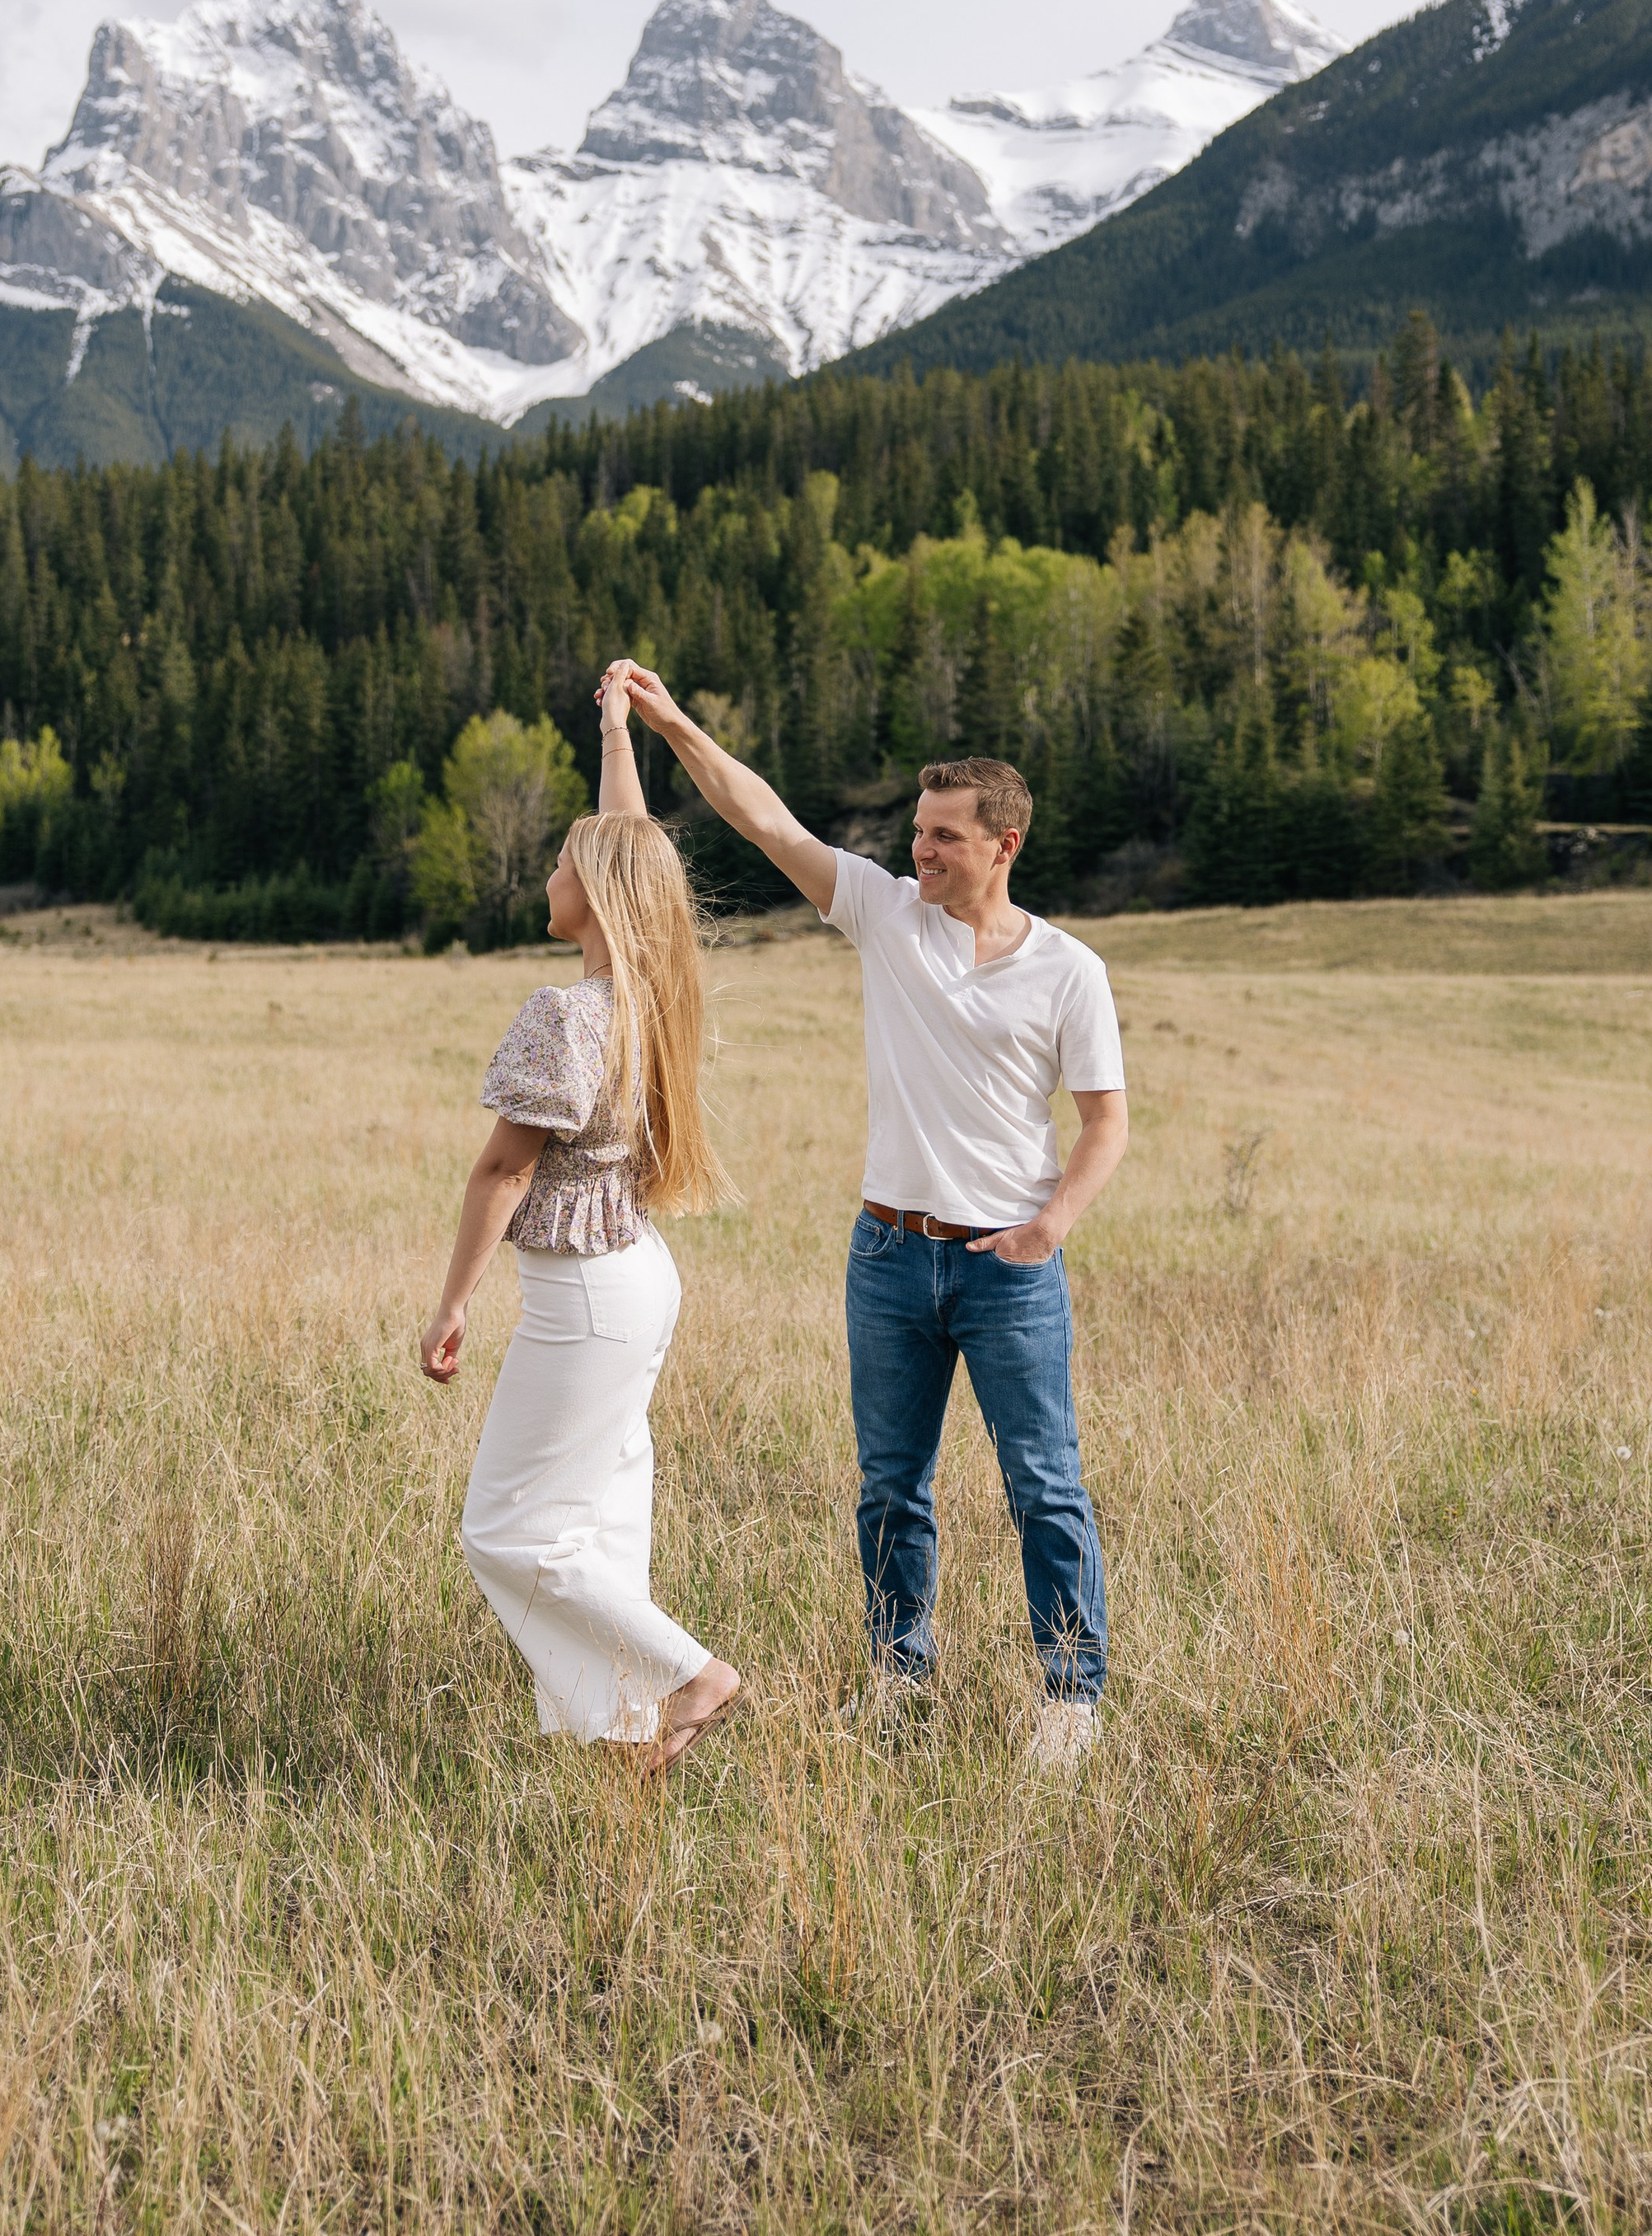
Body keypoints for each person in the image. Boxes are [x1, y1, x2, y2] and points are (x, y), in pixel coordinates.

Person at [609, 665, 1126, 1769]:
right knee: (891, 1484)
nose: (919, 852)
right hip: (889, 1252)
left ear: (1005, 845)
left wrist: (1049, 1229)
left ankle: (1070, 1697)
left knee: (1043, 1484)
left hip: (1007, 1270)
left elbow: (1104, 1125)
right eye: (918, 833)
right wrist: (670, 724)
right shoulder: (888, 916)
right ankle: (899, 1673)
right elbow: (763, 822)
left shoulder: (1069, 973)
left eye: (943, 837)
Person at [419, 664, 741, 1769]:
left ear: (594, 896)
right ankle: (622, 1727)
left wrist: (450, 1305)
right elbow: (631, 847)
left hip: (589, 1296)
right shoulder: (653, 995)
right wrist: (616, 732)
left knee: (507, 1529)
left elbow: (501, 1172)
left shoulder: (567, 1014)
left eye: (561, 864)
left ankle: (691, 1674)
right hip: (638, 1275)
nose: (549, 875)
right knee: (602, 1513)